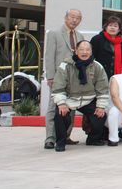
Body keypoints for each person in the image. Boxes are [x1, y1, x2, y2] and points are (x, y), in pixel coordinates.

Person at [51, 40, 109, 152]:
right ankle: (61, 142)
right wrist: (61, 103)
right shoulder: (65, 66)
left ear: (91, 52)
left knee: (101, 116)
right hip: (69, 99)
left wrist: (100, 106)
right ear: (76, 51)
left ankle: (93, 139)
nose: (84, 52)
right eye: (81, 49)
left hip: (88, 99)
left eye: (87, 50)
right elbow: (58, 87)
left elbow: (102, 89)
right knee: (60, 115)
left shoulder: (97, 66)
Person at [44, 9, 84, 150]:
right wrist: (50, 76)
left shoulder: (80, 36)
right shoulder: (54, 34)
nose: (74, 20)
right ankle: (50, 138)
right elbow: (49, 56)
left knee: (71, 107)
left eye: (78, 18)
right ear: (65, 17)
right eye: (72, 17)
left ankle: (66, 135)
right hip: (58, 77)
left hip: (74, 78)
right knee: (53, 106)